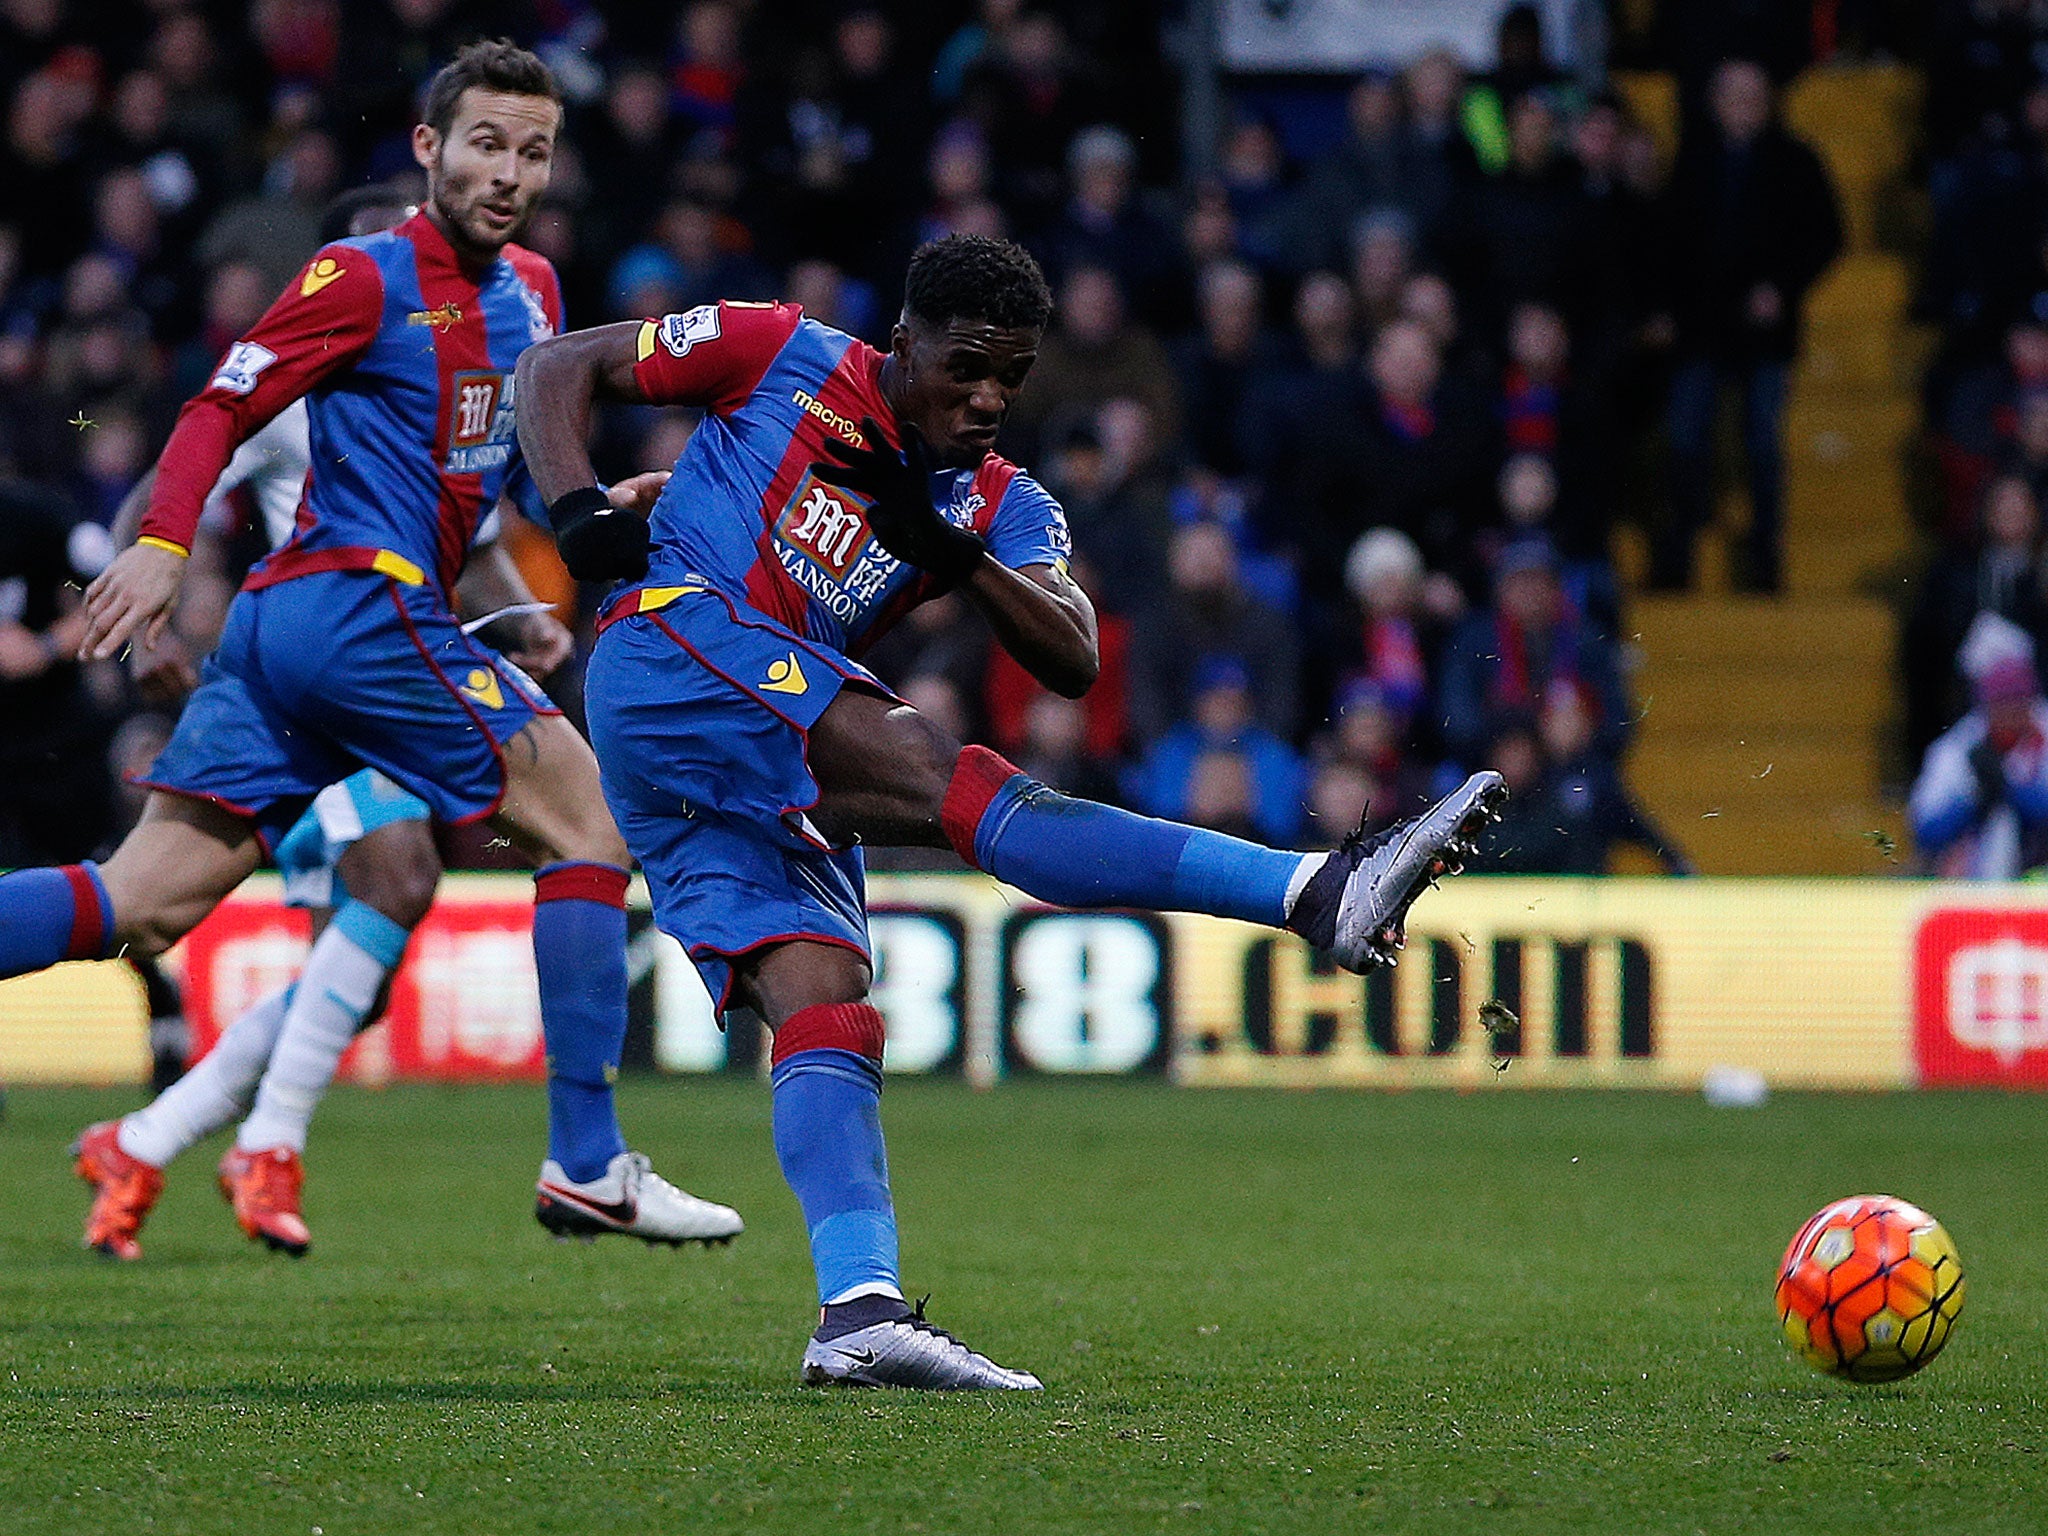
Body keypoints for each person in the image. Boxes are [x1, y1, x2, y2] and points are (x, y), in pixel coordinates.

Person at [513, 232, 1507, 1391]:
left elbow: (1074, 653)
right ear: (905, 341)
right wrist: (577, 511)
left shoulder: (1000, 501)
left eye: (1011, 378)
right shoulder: (779, 349)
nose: (985, 399)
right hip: (681, 651)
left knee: (822, 998)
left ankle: (858, 1314)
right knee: (942, 771)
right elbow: (557, 367)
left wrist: (953, 553)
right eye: (964, 367)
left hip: (732, 750)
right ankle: (1313, 892)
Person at [0, 42, 737, 1260]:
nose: (507, 172)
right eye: (485, 143)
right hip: (358, 607)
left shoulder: (539, 298)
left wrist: (602, 508)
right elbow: (219, 404)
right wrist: (164, 545)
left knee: (140, 905)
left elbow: (485, 476)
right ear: (427, 150)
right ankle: (588, 1162)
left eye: (532, 150)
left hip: (312, 630)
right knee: (593, 825)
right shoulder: (362, 272)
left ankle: (557, 1159)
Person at [1911, 614, 2048, 878]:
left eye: (2019, 703)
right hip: (1974, 880)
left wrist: (2015, 790)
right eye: (2002, 705)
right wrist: (1971, 797)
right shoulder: (1960, 747)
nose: (2012, 714)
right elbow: (1925, 829)